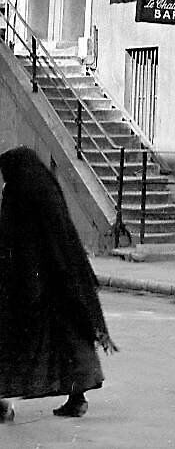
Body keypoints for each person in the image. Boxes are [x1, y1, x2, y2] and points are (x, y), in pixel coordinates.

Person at [0, 146, 116, 423]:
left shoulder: (18, 193)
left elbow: (11, 240)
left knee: (12, 344)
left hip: (31, 285)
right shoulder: (47, 189)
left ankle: (3, 404)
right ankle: (77, 398)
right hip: (66, 280)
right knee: (69, 343)